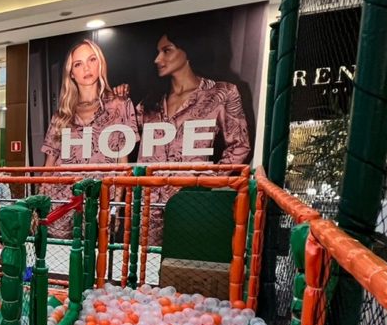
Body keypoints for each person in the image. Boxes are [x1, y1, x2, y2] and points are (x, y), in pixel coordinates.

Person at [136, 31, 251, 246]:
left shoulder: (222, 93)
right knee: (145, 271)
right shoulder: (148, 103)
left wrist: (205, 181)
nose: (157, 59)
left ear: (187, 51)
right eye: (157, 52)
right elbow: (122, 139)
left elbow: (239, 145)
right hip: (147, 205)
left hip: (191, 203)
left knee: (184, 268)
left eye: (166, 50)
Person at [40, 39, 136, 236]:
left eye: (91, 59)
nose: (86, 68)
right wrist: (40, 204)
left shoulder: (120, 105)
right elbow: (49, 166)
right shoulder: (62, 114)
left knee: (97, 259)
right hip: (61, 199)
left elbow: (122, 163)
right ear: (72, 73)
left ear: (100, 62)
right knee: (60, 257)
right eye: (78, 64)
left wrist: (115, 207)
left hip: (100, 198)